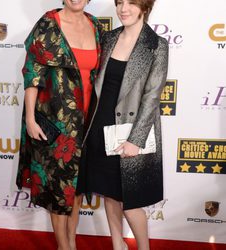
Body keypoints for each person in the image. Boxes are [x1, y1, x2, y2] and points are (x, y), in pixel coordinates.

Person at [77, 0, 169, 249]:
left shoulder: (156, 45)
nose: (123, 8)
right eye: (120, 3)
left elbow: (152, 96)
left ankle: (143, 247)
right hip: (100, 129)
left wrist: (135, 140)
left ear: (145, 7)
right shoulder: (108, 38)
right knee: (109, 193)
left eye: (131, 3)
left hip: (131, 131)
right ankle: (118, 244)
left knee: (131, 200)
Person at [16, 0, 103, 249]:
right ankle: (63, 247)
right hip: (55, 122)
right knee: (58, 189)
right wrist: (31, 119)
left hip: (87, 123)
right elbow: (32, 73)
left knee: (76, 188)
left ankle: (72, 242)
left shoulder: (95, 25)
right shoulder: (48, 24)